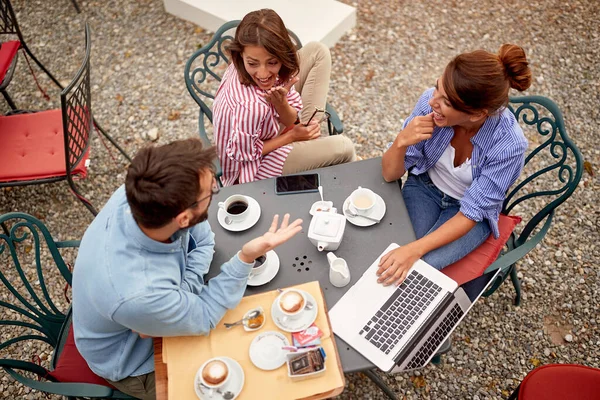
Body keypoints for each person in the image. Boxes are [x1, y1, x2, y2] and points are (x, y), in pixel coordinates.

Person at [72, 138, 302, 399]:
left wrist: (181, 295)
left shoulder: (141, 196)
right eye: (211, 192)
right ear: (182, 218)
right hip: (134, 360)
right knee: (247, 376)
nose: (216, 188)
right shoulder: (140, 294)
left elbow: (204, 240)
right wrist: (245, 258)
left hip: (142, 315)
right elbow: (204, 316)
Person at [378, 44, 532, 286]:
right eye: (437, 87)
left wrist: (414, 250)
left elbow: (471, 212)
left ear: (476, 114)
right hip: (424, 188)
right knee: (390, 254)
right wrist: (401, 142)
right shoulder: (429, 105)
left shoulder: (509, 146)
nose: (432, 102)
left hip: (468, 213)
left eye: (446, 102)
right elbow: (389, 174)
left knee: (421, 267)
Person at [213, 8, 357, 186]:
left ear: (282, 54)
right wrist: (292, 137)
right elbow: (243, 154)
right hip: (253, 167)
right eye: (253, 63)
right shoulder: (250, 107)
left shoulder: (246, 61)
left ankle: (309, 131)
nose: (263, 73)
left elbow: (290, 119)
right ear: (239, 55)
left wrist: (281, 103)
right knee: (344, 147)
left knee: (317, 51)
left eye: (272, 62)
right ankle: (347, 176)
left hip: (269, 124)